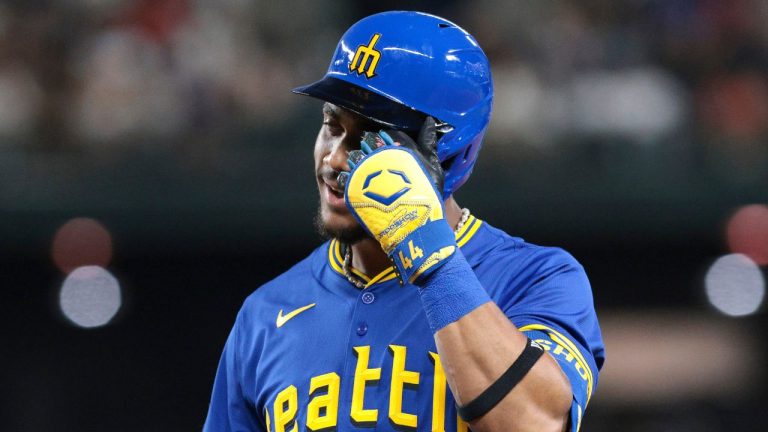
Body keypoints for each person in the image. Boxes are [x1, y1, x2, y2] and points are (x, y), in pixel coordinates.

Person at [204, 11, 604, 432]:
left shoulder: (534, 278)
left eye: (370, 138)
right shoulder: (266, 313)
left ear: (448, 151)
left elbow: (534, 424)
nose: (336, 159)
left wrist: (426, 252)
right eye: (331, 125)